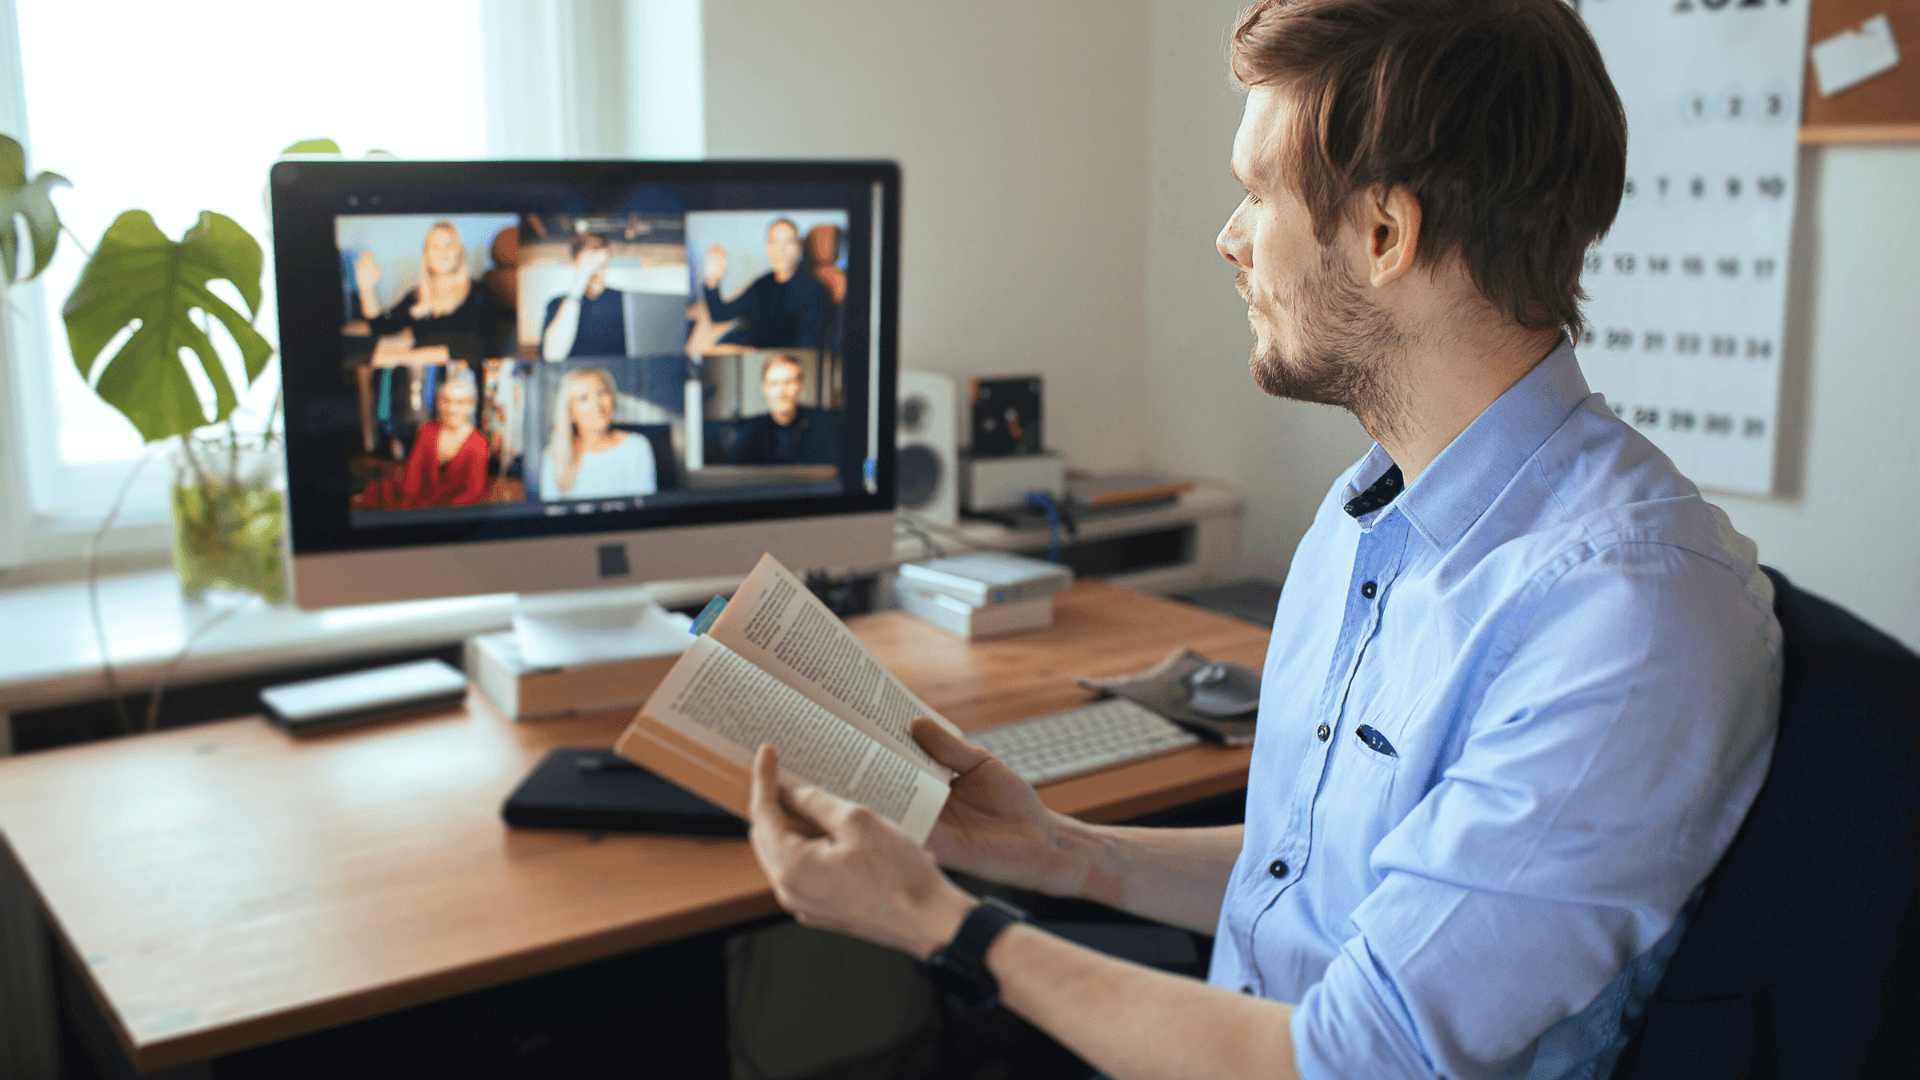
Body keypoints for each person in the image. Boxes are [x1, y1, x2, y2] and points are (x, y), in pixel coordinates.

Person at [739, 3, 1783, 1079]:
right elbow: (1330, 882)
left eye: (1260, 192)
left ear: (1385, 233)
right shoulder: (1364, 516)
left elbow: (1354, 1057)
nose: (1231, 239)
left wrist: (946, 929)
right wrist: (1054, 850)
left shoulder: (1629, 620)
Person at [357, 222, 492, 363]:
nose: (442, 251)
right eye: (435, 246)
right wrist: (367, 289)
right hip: (421, 376)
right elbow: (381, 327)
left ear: (459, 252)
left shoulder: (479, 292)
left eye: (449, 245)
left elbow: (477, 347)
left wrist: (404, 358)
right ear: (426, 255)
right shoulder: (416, 296)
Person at [360, 366, 489, 509]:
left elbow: (473, 493)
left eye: (460, 402)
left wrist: (440, 514)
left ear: (470, 405)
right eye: (447, 401)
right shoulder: (428, 431)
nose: (452, 409)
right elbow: (412, 477)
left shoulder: (478, 443)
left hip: (452, 516)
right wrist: (411, 510)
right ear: (439, 403)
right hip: (418, 507)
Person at [697, 218, 831, 350]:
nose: (781, 250)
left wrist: (749, 351)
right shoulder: (762, 284)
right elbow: (720, 315)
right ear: (767, 248)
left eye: (788, 242)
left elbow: (806, 346)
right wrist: (713, 279)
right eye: (774, 242)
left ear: (799, 248)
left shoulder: (815, 290)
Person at [539, 367, 657, 500]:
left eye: (602, 393)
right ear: (570, 412)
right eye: (584, 398)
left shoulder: (636, 447)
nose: (597, 405)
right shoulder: (553, 457)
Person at [727, 353, 839, 466]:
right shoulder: (750, 429)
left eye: (789, 382)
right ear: (763, 388)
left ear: (801, 386)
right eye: (774, 383)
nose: (781, 392)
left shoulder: (823, 423)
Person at [541, 233, 628, 360]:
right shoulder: (556, 304)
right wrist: (581, 281)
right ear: (574, 262)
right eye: (590, 265)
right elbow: (552, 356)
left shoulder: (625, 300)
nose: (597, 272)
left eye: (602, 265)